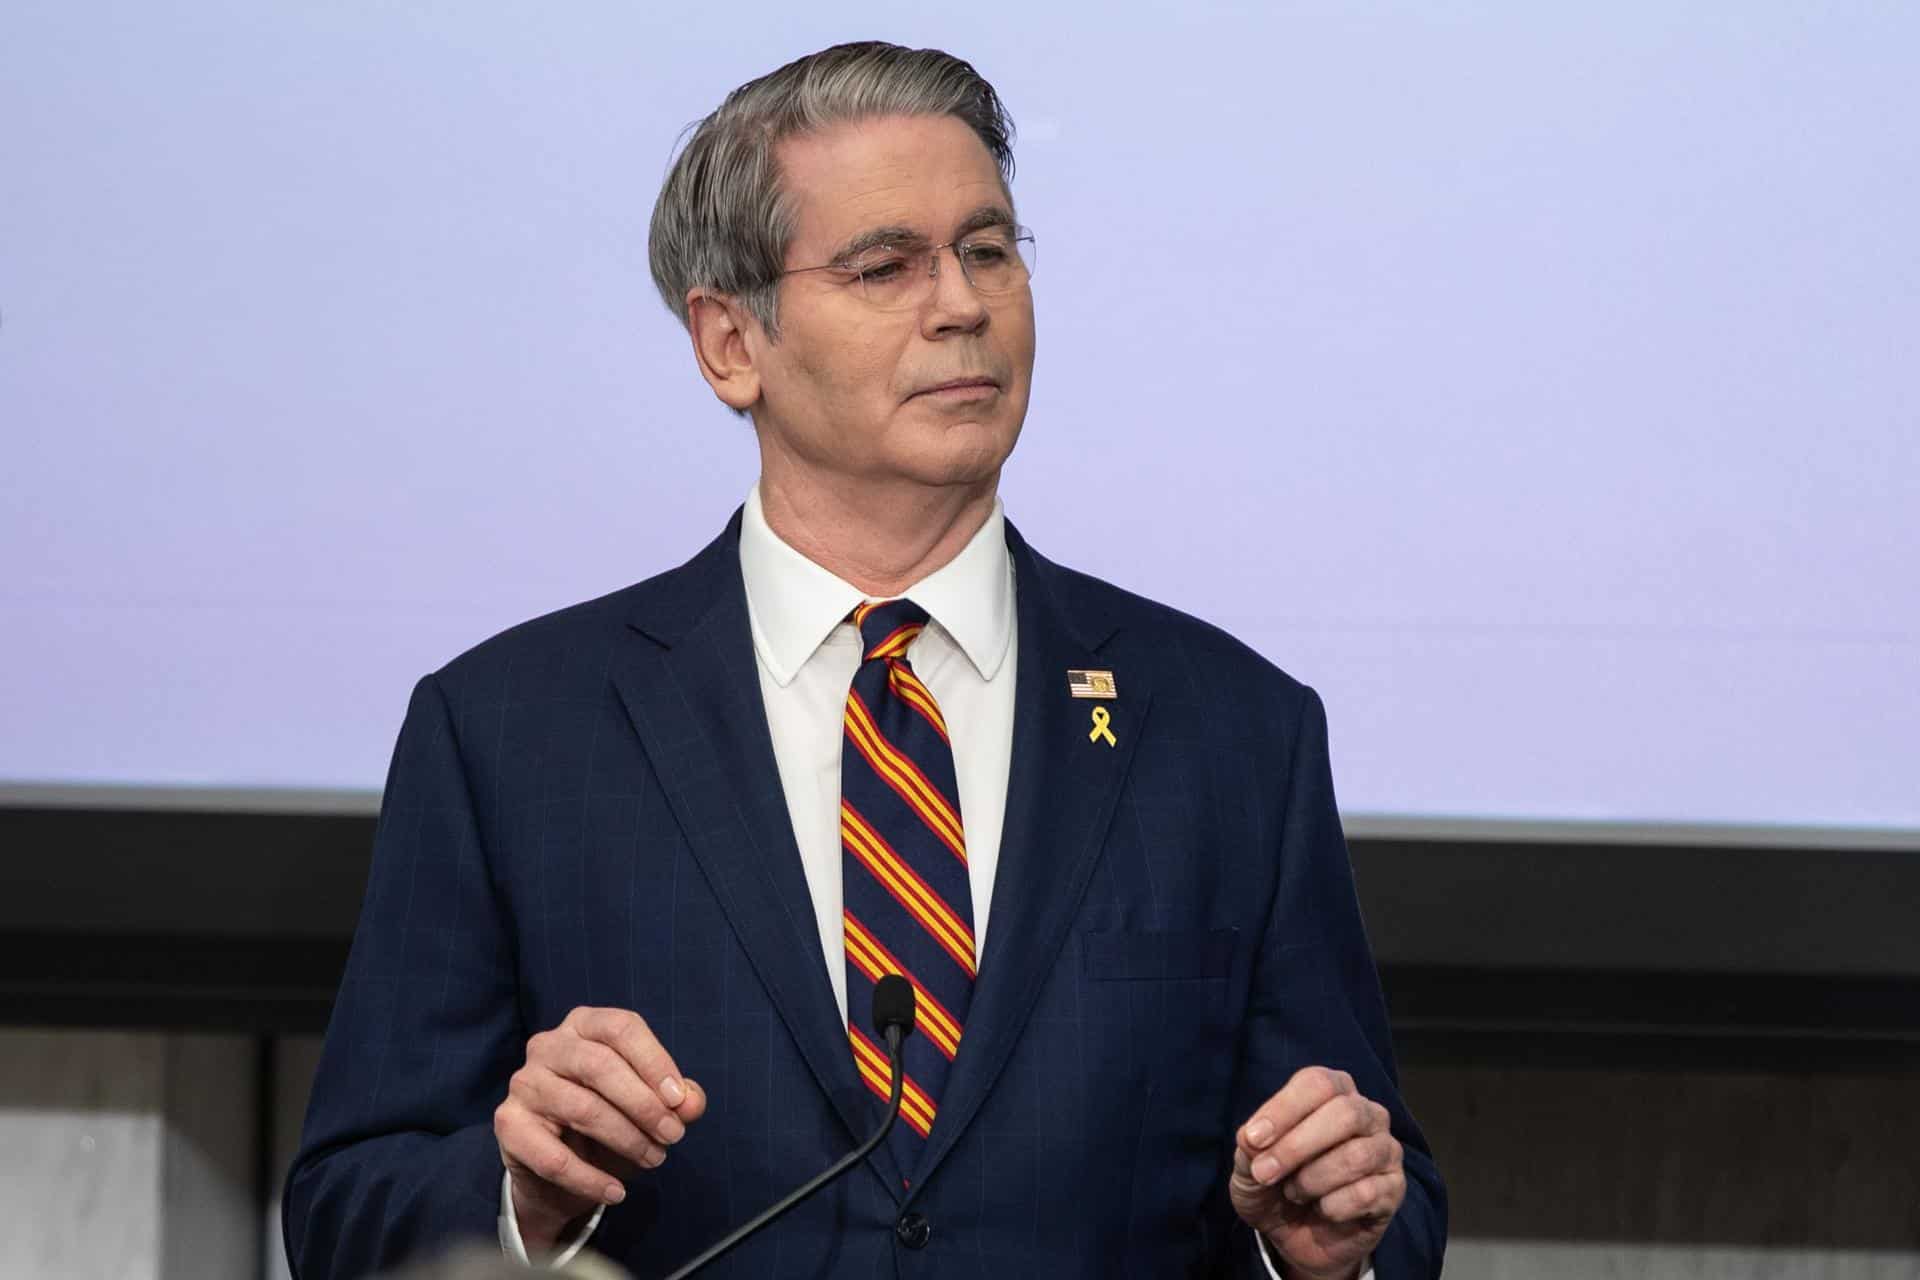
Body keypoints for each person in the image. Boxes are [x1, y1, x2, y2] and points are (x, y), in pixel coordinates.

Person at [283, 41, 1445, 1280]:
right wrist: (523, 1195)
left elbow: (1384, 1196)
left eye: (988, 250)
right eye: (885, 265)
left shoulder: (1230, 729)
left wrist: (1330, 1250)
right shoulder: (512, 730)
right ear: (732, 343)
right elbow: (349, 1209)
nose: (962, 304)